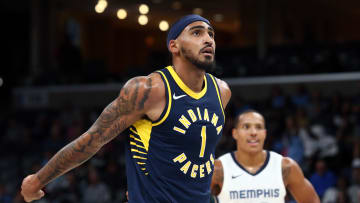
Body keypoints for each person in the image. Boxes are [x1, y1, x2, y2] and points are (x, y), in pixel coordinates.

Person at [20, 14, 231, 203]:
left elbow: (193, 152)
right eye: (197, 32)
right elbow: (93, 139)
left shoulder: (221, 92)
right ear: (174, 46)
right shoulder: (148, 90)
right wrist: (38, 180)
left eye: (211, 34)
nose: (208, 39)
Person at [210, 110, 320, 203]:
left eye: (258, 127)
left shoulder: (285, 167)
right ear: (235, 133)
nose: (253, 132)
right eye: (246, 127)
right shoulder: (218, 169)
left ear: (265, 133)